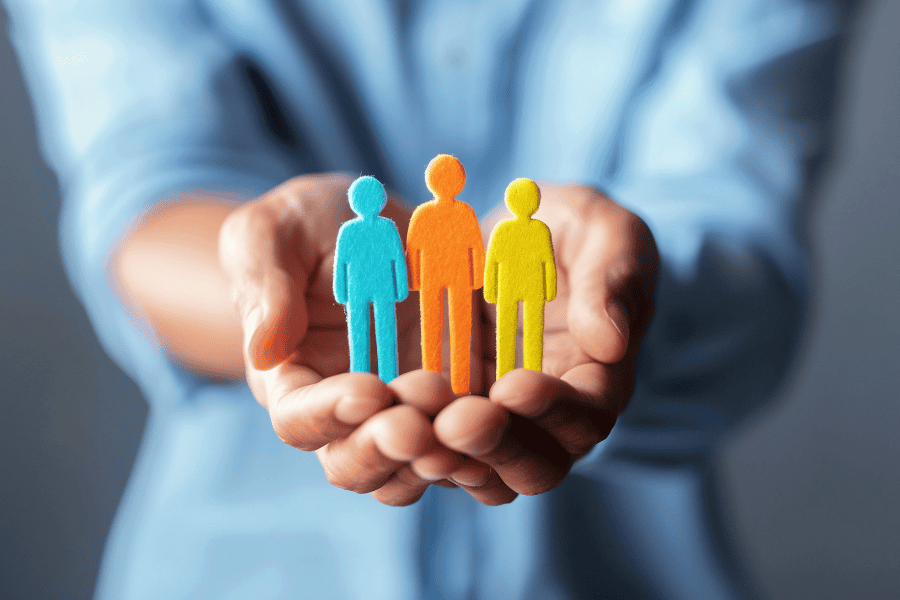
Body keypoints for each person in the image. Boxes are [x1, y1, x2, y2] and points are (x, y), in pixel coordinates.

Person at [3, 0, 853, 598]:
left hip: (614, 548)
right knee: (391, 338)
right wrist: (277, 299)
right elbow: (144, 182)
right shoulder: (392, 231)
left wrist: (622, 301)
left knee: (477, 339)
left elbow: (738, 230)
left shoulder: (483, 233)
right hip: (239, 559)